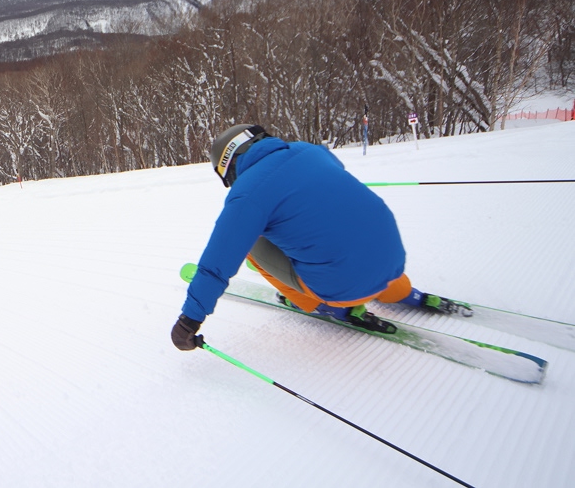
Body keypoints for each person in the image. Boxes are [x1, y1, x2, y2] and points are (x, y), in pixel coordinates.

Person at [172, 124, 462, 352]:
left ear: (229, 166)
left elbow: (217, 263)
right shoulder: (311, 151)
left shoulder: (247, 192)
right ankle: (399, 291)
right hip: (394, 262)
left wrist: (189, 321)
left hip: (341, 289)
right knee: (342, 230)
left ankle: (314, 303)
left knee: (250, 245)